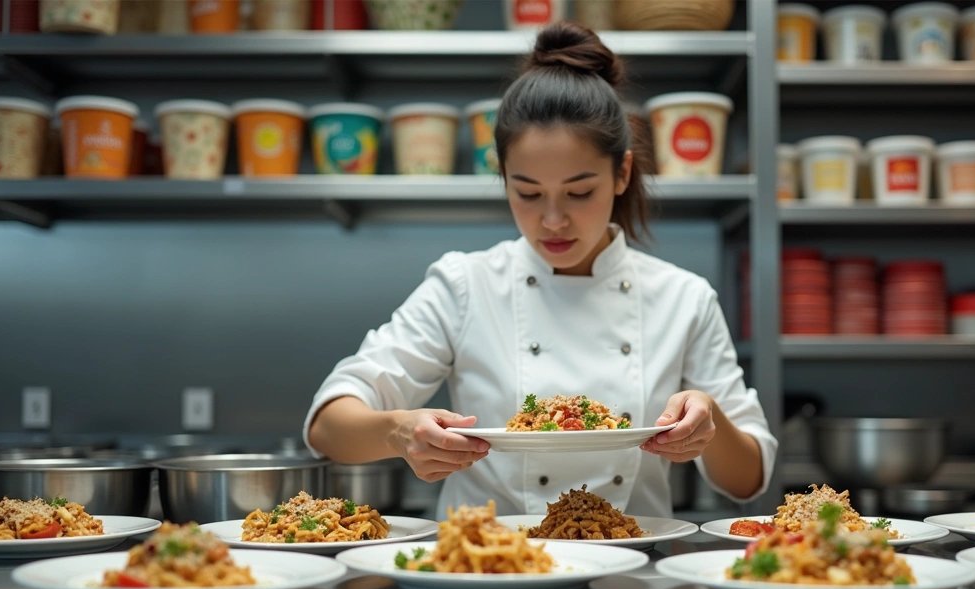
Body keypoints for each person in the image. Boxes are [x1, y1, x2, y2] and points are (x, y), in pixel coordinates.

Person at [304, 22, 776, 518]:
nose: (552, 220)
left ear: (622, 173)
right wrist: (398, 432)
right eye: (527, 193)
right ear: (503, 175)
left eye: (579, 192)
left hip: (633, 558)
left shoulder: (684, 297)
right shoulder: (465, 285)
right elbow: (327, 426)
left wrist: (709, 420)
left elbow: (749, 479)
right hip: (486, 557)